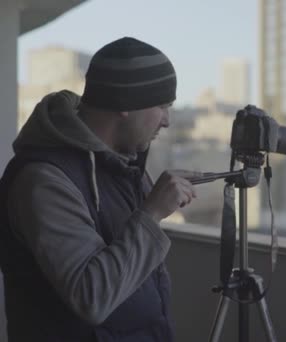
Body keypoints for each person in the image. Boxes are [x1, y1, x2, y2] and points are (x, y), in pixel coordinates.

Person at [0, 37, 197, 341]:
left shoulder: (122, 166)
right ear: (126, 104)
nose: (168, 121)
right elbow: (91, 296)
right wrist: (152, 212)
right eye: (162, 105)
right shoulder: (44, 180)